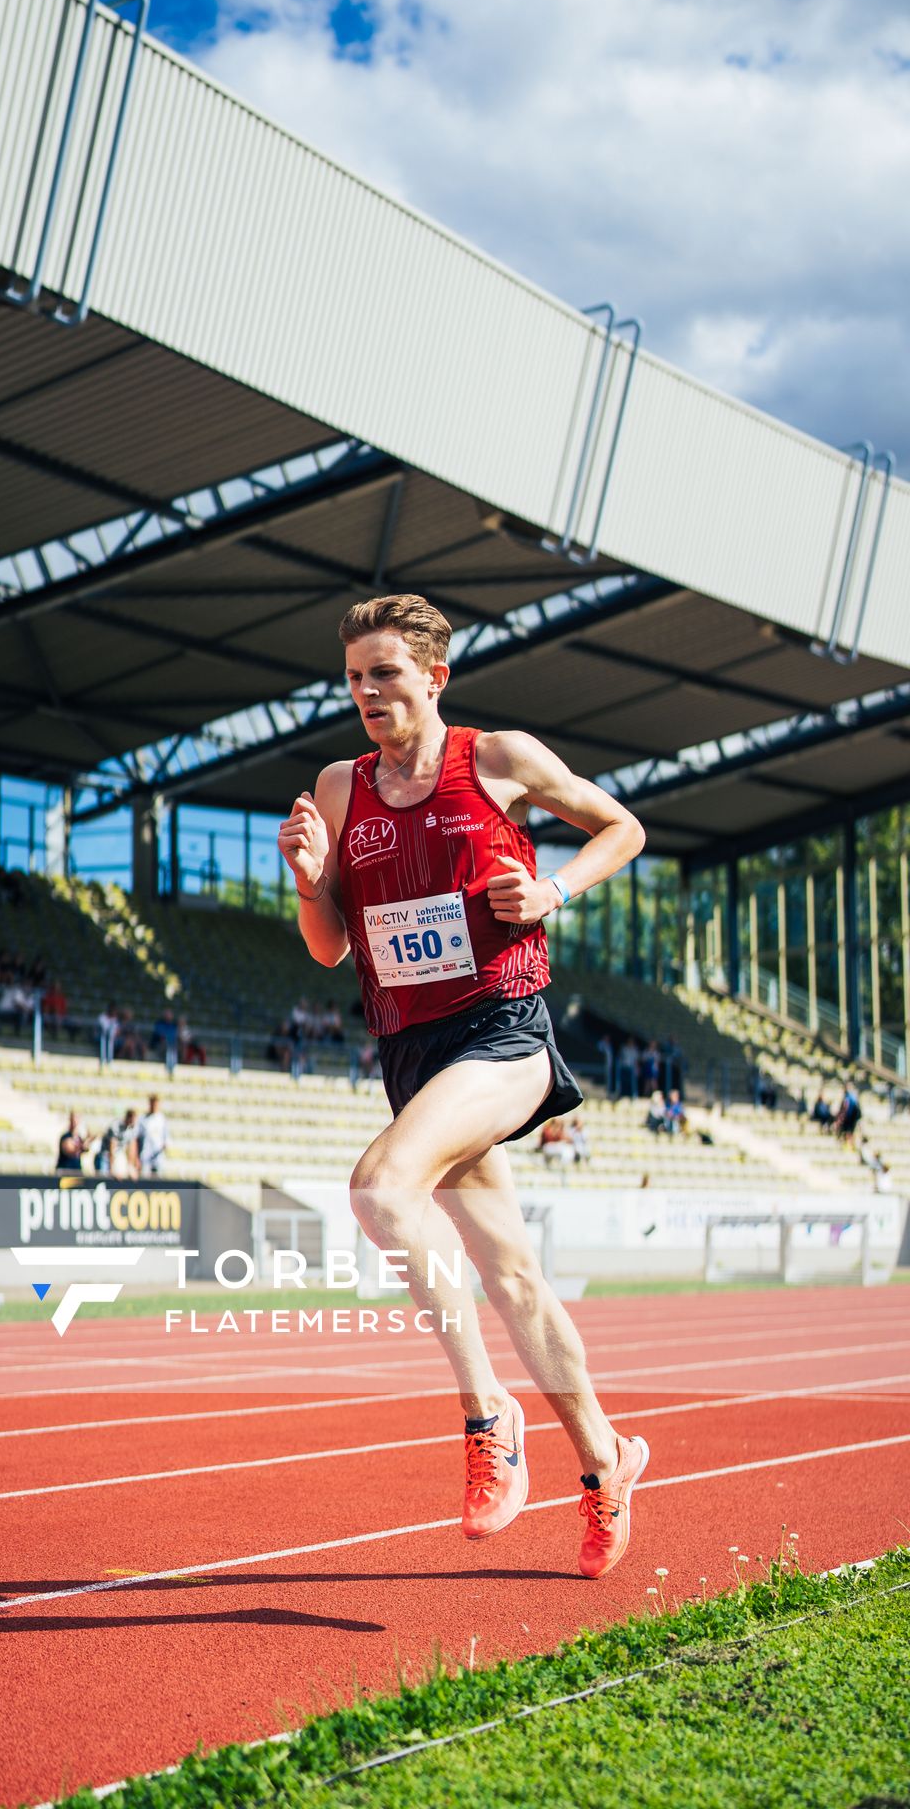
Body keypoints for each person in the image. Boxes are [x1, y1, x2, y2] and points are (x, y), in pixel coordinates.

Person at [277, 591, 649, 1581]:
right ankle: (607, 1461)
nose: (365, 689)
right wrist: (311, 878)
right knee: (515, 1277)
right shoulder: (338, 786)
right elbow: (327, 950)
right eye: (353, 673)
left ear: (433, 677)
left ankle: (490, 1420)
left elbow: (622, 828)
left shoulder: (497, 761)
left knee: (379, 1188)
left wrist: (553, 890)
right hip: (412, 1058)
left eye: (384, 670)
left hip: (502, 1035)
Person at [136, 1094, 169, 1177]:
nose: (154, 1106)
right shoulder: (143, 1119)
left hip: (158, 1155)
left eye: (156, 1104)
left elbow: (166, 1136)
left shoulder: (162, 1118)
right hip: (145, 1154)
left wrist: (165, 1145)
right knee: (145, 1177)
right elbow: (137, 1137)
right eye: (152, 1103)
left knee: (158, 1179)